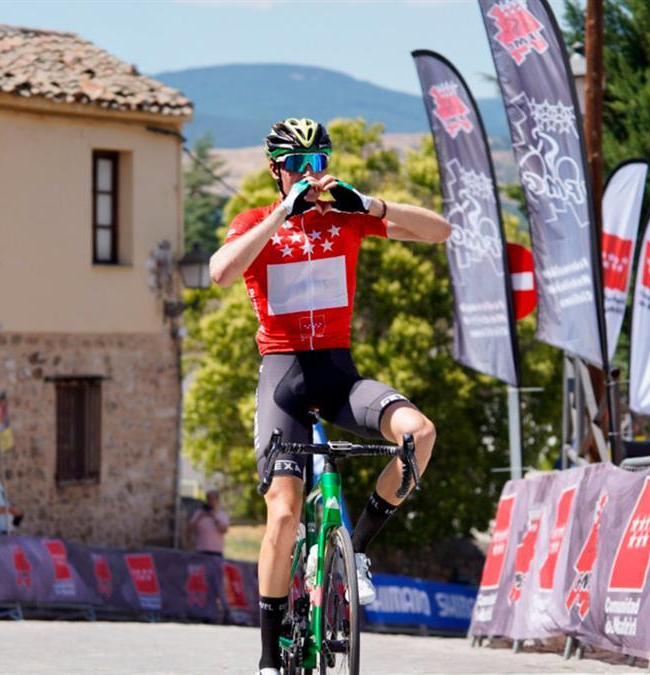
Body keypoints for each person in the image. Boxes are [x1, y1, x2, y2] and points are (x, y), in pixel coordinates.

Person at [209, 118, 449, 675]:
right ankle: (270, 656)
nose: (311, 176)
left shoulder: (347, 219)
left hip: (339, 375)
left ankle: (356, 548)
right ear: (276, 171)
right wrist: (279, 216)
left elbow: (440, 231)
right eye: (298, 166)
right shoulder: (256, 224)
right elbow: (221, 273)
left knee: (420, 434)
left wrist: (369, 204)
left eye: (320, 163)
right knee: (284, 516)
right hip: (284, 379)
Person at [188, 489, 230, 556]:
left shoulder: (222, 515)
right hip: (201, 550)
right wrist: (200, 517)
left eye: (213, 499)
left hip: (216, 551)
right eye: (209, 499)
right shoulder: (199, 513)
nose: (211, 501)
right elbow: (190, 529)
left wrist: (214, 517)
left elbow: (224, 530)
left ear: (217, 501)